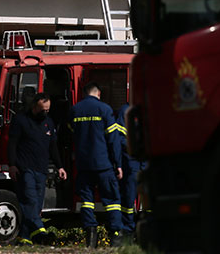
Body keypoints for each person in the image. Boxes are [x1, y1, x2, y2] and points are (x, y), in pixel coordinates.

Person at [8, 92, 68, 245]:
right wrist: (12, 165)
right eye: (42, 110)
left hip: (41, 170)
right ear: (34, 107)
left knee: (36, 205)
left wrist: (60, 166)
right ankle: (41, 231)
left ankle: (24, 238)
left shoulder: (49, 122)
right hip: (25, 168)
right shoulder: (21, 120)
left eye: (48, 110)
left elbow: (53, 147)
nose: (45, 113)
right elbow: (12, 144)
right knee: (30, 200)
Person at [71, 82, 123, 248]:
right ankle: (115, 236)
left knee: (87, 201)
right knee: (112, 200)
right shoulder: (105, 109)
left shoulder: (75, 110)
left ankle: (91, 236)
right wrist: (118, 164)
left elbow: (70, 136)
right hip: (103, 165)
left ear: (85, 93)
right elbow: (113, 140)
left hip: (83, 165)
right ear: (98, 93)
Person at [116, 103, 145, 240]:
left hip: (147, 157)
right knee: (129, 195)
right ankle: (128, 229)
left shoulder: (153, 106)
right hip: (132, 159)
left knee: (150, 194)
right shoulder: (125, 111)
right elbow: (120, 137)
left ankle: (146, 229)